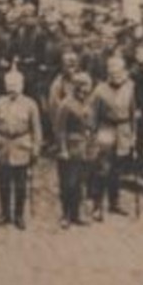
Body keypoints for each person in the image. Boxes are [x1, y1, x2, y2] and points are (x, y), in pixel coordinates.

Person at [0, 67, 42, 229]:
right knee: (3, 182)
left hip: (22, 147)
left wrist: (35, 149)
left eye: (15, 85)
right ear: (5, 86)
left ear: (22, 85)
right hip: (2, 146)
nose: (12, 88)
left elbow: (36, 130)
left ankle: (18, 215)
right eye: (9, 85)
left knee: (20, 184)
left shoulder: (30, 104)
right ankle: (4, 213)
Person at [90, 54, 137, 219]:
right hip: (106, 128)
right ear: (108, 73)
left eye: (119, 72)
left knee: (117, 170)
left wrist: (133, 135)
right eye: (112, 72)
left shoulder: (130, 87)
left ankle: (114, 202)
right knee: (102, 169)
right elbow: (93, 116)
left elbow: (133, 112)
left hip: (123, 130)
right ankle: (97, 205)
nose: (116, 75)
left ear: (124, 71)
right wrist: (93, 137)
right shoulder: (99, 90)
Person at [53, 71, 96, 228]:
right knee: (68, 184)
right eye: (83, 87)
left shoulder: (88, 103)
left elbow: (91, 124)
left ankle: (77, 214)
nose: (86, 91)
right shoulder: (66, 104)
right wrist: (63, 149)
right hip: (70, 149)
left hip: (84, 148)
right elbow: (60, 130)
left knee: (80, 183)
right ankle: (65, 214)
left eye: (88, 87)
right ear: (77, 87)